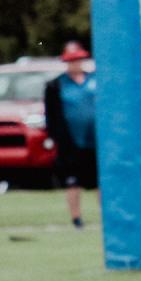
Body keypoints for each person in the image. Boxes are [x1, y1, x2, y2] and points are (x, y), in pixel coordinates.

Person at [42, 41, 96, 229]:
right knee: (73, 181)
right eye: (72, 60)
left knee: (100, 181)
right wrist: (56, 137)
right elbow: (51, 115)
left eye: (78, 60)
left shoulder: (95, 80)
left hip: (95, 139)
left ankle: (107, 217)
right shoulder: (56, 85)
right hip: (71, 141)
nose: (76, 64)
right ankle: (76, 218)